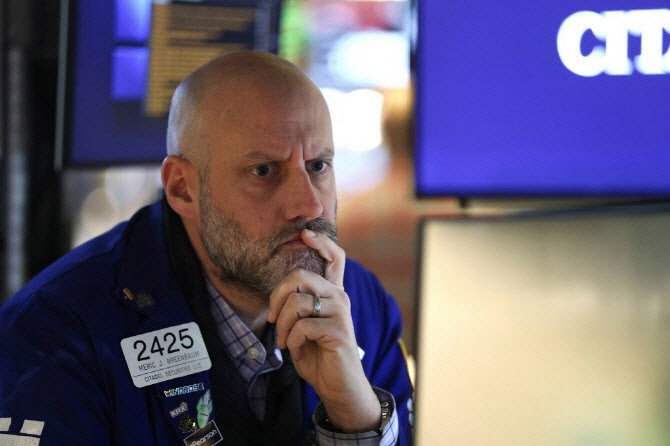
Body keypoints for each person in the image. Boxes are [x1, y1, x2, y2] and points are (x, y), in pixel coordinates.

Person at [0, 51, 413, 445]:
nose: (309, 205)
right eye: (263, 170)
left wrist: (355, 417)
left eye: (318, 165)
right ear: (183, 189)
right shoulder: (57, 332)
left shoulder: (360, 305)